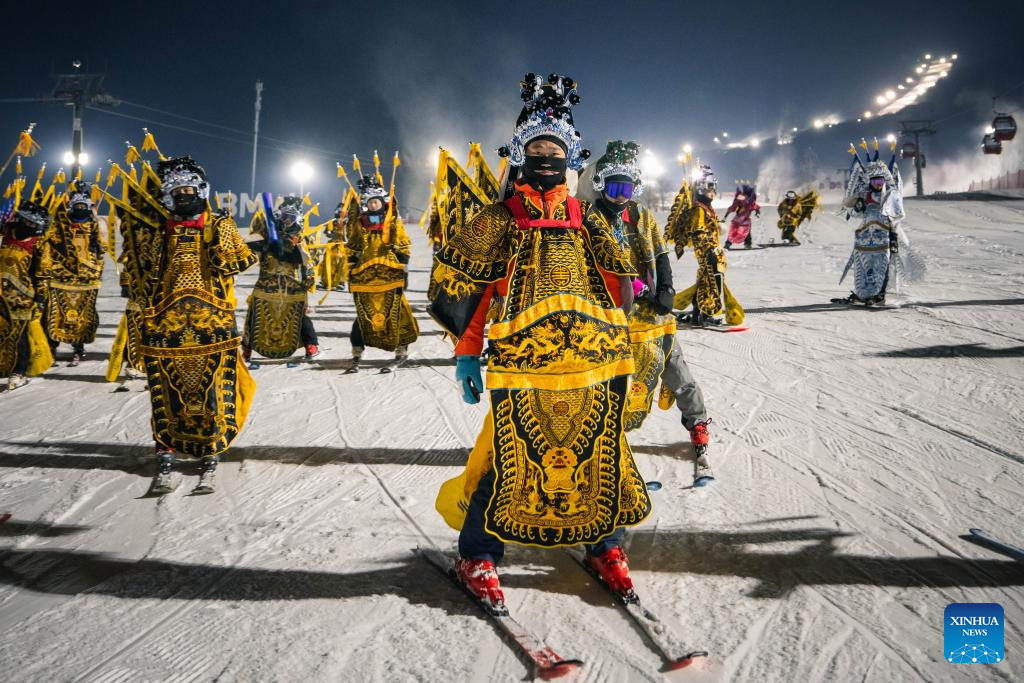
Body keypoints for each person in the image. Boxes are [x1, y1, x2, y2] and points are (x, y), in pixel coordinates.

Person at [430, 74, 651, 610]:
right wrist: (466, 354)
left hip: (590, 363)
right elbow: (475, 293)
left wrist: (626, 323)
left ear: (570, 158)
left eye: (555, 152)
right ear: (521, 156)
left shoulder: (587, 218)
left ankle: (605, 546)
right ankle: (477, 554)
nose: (546, 159)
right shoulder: (500, 220)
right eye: (536, 151)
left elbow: (619, 290)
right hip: (521, 364)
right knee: (513, 456)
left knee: (601, 451)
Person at [109, 153, 257, 494]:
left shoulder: (218, 224)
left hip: (213, 326)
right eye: (176, 192)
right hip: (165, 327)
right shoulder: (156, 230)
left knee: (212, 392)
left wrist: (219, 240)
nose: (183, 196)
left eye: (189, 190)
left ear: (201, 191)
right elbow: (141, 272)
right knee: (166, 392)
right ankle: (165, 449)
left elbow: (236, 262)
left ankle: (210, 449)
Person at [586, 140, 714, 473]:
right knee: (605, 378)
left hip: (649, 312)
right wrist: (635, 289)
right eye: (614, 188)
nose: (620, 196)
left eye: (626, 189)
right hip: (608, 313)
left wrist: (667, 287)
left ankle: (697, 422)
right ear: (602, 186)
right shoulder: (590, 218)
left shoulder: (641, 215)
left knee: (675, 366)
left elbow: (659, 254)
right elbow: (594, 264)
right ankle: (599, 432)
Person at [344, 168, 418, 373]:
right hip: (366, 273)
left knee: (397, 311)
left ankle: (401, 349)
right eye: (369, 202)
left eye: (375, 201)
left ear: (383, 202)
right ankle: (357, 351)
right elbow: (354, 246)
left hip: (389, 271)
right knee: (363, 312)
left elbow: (403, 245)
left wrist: (404, 270)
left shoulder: (391, 221)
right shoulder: (360, 223)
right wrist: (351, 269)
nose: (373, 205)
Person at [242, 195, 319, 363]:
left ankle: (311, 344)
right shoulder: (270, 232)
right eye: (284, 216)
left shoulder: (303, 237)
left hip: (292, 283)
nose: (287, 221)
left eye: (291, 217)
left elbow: (310, 261)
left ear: (298, 219)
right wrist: (265, 244)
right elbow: (252, 243)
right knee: (255, 311)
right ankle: (247, 346)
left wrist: (307, 280)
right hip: (267, 280)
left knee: (298, 314)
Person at [39, 181, 105, 366]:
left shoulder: (93, 225)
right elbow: (52, 244)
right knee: (55, 312)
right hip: (61, 276)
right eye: (77, 206)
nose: (80, 209)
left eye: (83, 206)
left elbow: (101, 249)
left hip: (86, 277)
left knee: (82, 313)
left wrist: (96, 268)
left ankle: (78, 349)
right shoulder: (62, 225)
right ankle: (52, 348)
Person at [836, 140, 905, 305]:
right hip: (865, 237)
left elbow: (897, 216)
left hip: (884, 236)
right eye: (875, 182)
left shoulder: (890, 195)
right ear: (870, 182)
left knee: (882, 265)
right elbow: (854, 214)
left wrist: (894, 238)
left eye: (881, 181)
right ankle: (863, 293)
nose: (878, 185)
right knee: (862, 266)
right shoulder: (864, 195)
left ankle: (879, 295)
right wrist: (857, 207)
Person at [674, 166, 744, 326]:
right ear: (701, 188)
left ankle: (697, 314)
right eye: (709, 188)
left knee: (705, 281)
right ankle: (706, 314)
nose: (713, 192)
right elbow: (698, 232)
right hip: (707, 251)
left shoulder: (707, 208)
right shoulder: (699, 209)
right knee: (713, 282)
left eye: (714, 188)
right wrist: (708, 250)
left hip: (713, 250)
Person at [0, 201, 53, 389]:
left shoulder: (39, 243)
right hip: (0, 294)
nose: (29, 226)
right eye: (27, 222)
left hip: (22, 297)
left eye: (33, 224)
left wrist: (41, 297)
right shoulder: (5, 232)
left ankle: (19, 371)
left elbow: (43, 273)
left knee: (20, 335)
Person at [722, 182, 760, 249]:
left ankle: (729, 243)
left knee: (737, 231)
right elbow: (755, 207)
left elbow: (732, 208)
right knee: (741, 231)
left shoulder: (748, 201)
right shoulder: (746, 201)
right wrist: (757, 213)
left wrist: (725, 217)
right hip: (741, 219)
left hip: (741, 219)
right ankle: (746, 244)